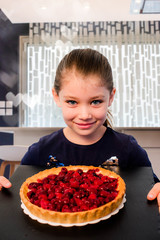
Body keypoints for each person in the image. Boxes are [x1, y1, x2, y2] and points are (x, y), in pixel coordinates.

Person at [0, 48, 160, 210]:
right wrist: (4, 187)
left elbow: (152, 188)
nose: (84, 115)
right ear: (57, 97)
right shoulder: (41, 150)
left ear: (111, 97)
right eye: (72, 102)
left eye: (96, 101)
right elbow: (15, 193)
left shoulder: (128, 148)